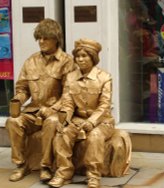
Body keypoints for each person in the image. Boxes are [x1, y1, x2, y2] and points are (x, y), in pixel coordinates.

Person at [5, 18, 75, 182]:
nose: (41, 42)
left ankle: (46, 166)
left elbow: (69, 93)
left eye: (45, 38)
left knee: (51, 122)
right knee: (13, 122)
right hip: (33, 111)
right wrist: (18, 101)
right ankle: (21, 165)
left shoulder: (67, 62)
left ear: (56, 38)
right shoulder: (31, 61)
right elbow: (22, 88)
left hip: (56, 111)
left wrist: (53, 109)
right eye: (39, 38)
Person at [48, 38, 119, 188]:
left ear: (93, 57)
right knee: (63, 133)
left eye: (84, 56)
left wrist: (92, 121)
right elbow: (67, 103)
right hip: (78, 120)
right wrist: (65, 119)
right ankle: (63, 173)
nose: (80, 60)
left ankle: (93, 175)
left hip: (102, 121)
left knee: (95, 136)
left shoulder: (105, 77)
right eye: (77, 56)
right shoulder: (70, 77)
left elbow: (104, 105)